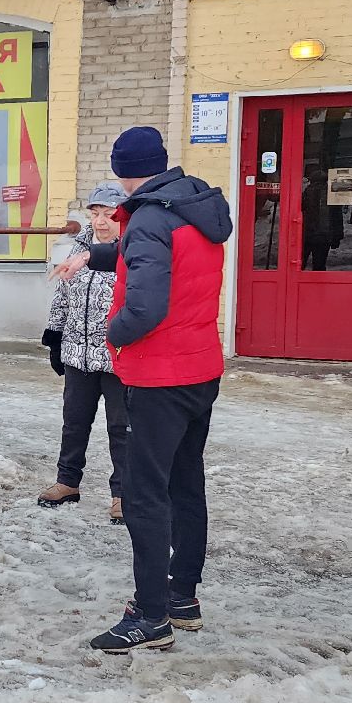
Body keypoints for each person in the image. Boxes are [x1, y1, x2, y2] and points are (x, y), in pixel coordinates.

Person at [54, 126, 231, 653]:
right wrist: (93, 257)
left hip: (160, 376)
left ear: (122, 170)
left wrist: (112, 333)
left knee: (143, 493)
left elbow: (147, 305)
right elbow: (158, 264)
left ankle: (150, 616)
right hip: (201, 368)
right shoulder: (193, 204)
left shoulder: (150, 216)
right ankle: (183, 598)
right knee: (185, 483)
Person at [38, 183, 130, 524]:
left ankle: (122, 495)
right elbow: (62, 296)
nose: (101, 221)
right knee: (74, 423)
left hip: (117, 357)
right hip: (78, 354)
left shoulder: (133, 253)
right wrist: (55, 336)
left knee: (122, 428)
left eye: (109, 214)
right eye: (95, 213)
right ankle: (67, 482)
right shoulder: (77, 248)